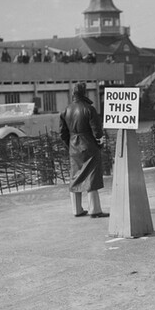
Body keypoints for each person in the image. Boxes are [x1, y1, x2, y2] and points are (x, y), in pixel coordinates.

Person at [60, 82, 108, 218]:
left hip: (73, 146)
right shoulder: (89, 109)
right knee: (91, 177)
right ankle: (95, 210)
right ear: (84, 93)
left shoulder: (66, 110)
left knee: (75, 177)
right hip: (89, 146)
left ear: (73, 93)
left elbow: (62, 134)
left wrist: (70, 146)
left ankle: (77, 210)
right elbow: (97, 131)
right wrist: (99, 143)